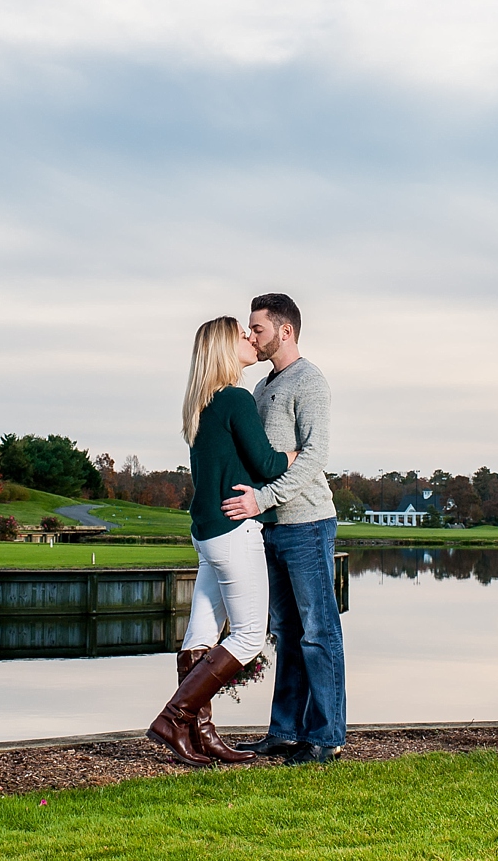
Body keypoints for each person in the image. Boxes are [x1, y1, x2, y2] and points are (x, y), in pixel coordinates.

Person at [146, 316, 297, 767]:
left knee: (202, 634)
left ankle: (199, 734)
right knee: (249, 638)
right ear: (224, 350)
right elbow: (269, 465)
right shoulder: (234, 399)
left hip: (208, 532)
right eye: (243, 335)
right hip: (233, 532)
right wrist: (299, 453)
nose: (252, 339)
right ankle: (177, 716)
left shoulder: (203, 404)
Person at [222, 293, 345, 765]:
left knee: (318, 632)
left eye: (257, 328)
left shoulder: (308, 381)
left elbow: (315, 456)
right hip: (271, 526)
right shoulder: (259, 389)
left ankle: (326, 737)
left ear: (285, 330)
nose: (251, 336)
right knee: (286, 632)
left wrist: (263, 499)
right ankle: (285, 732)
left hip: (308, 523)